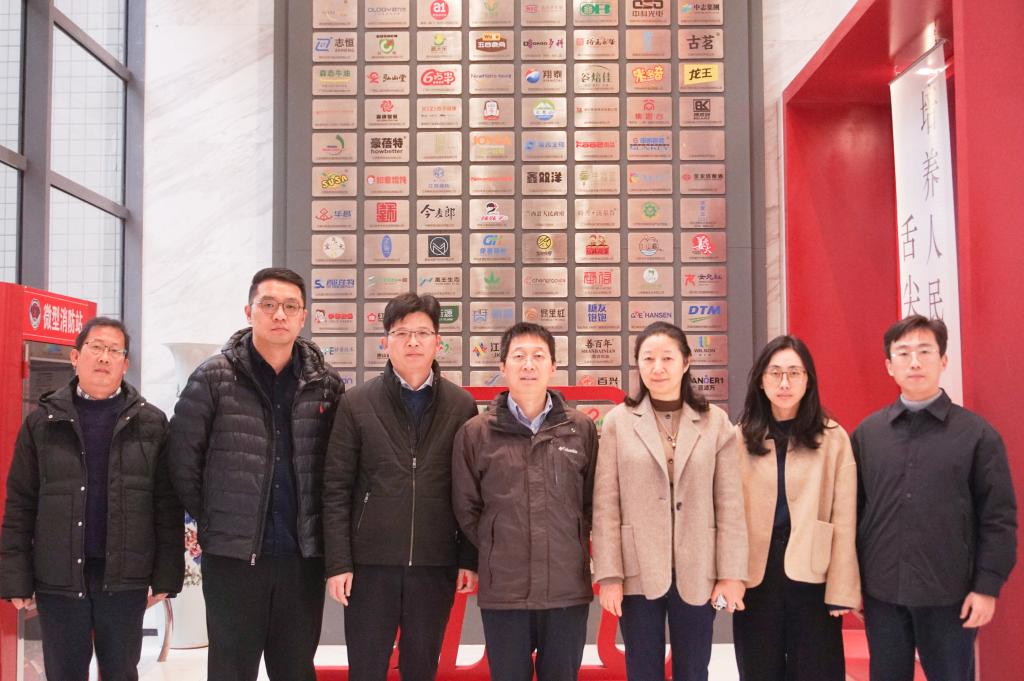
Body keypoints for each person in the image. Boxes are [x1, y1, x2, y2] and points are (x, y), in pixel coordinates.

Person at [167, 267, 344, 681]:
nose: (279, 314)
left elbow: (338, 468)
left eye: (290, 306)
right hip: (234, 559)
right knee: (231, 669)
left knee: (295, 669)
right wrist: (215, 518)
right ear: (249, 312)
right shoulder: (213, 377)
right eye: (268, 304)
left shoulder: (326, 384)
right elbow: (182, 460)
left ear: (303, 316)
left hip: (302, 558)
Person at [0, 317, 183, 681]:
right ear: (75, 357)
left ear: (125, 363)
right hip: (59, 577)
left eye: (114, 351)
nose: (104, 357)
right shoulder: (42, 423)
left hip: (125, 578)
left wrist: (167, 573)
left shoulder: (151, 423)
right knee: (64, 673)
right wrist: (16, 576)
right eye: (96, 347)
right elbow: (20, 503)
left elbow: (166, 504)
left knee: (121, 671)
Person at [323, 292, 479, 681]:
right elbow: (336, 488)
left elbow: (470, 490)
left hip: (434, 563)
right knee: (366, 669)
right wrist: (338, 563)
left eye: (422, 333)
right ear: (386, 342)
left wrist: (468, 558)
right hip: (369, 566)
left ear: (438, 342)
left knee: (422, 668)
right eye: (401, 332)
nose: (412, 341)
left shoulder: (461, 405)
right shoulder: (356, 403)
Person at [853, 315, 1017, 681]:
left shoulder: (977, 435)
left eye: (925, 351)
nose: (914, 362)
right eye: (903, 353)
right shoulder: (867, 435)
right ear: (889, 365)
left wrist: (986, 587)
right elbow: (853, 514)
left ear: (943, 361)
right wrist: (852, 584)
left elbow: (998, 519)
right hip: (882, 593)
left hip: (951, 597)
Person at [591, 321, 747, 681]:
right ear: (638, 364)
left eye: (667, 358)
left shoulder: (715, 422)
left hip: (698, 566)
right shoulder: (618, 422)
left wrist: (731, 573)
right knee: (642, 669)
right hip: (637, 568)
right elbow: (606, 504)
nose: (657, 367)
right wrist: (610, 575)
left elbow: (730, 504)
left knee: (693, 669)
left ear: (686, 362)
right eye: (648, 359)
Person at [452, 322, 598, 681]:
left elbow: (593, 502)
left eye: (538, 356)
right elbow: (466, 507)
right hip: (504, 591)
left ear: (553, 366)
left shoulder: (580, 429)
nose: (528, 365)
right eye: (519, 356)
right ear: (502, 366)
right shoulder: (476, 433)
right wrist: (497, 542)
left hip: (566, 590)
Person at [732, 335, 860, 681]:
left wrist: (842, 590)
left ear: (808, 381)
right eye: (775, 373)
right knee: (758, 669)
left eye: (794, 373)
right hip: (757, 574)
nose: (784, 383)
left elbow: (845, 518)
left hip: (813, 573)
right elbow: (726, 514)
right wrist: (728, 578)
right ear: (761, 381)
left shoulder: (833, 438)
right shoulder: (739, 437)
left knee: (818, 669)